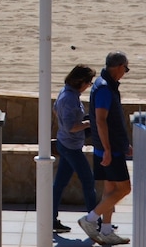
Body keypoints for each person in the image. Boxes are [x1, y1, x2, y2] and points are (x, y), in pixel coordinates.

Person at [77, 51, 132, 246]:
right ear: (119, 67)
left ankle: (106, 231)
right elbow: (100, 120)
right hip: (108, 149)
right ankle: (90, 219)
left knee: (110, 190)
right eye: (125, 68)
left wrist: (125, 145)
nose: (125, 72)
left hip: (112, 147)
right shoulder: (104, 89)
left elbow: (112, 121)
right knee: (125, 188)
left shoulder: (106, 85)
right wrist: (109, 149)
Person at [52, 65, 98, 233]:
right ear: (81, 82)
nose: (89, 85)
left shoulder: (68, 93)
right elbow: (72, 126)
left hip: (67, 144)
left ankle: (51, 218)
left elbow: (55, 109)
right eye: (89, 82)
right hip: (70, 147)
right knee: (88, 181)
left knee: (59, 184)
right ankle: (94, 221)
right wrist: (89, 123)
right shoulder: (70, 99)